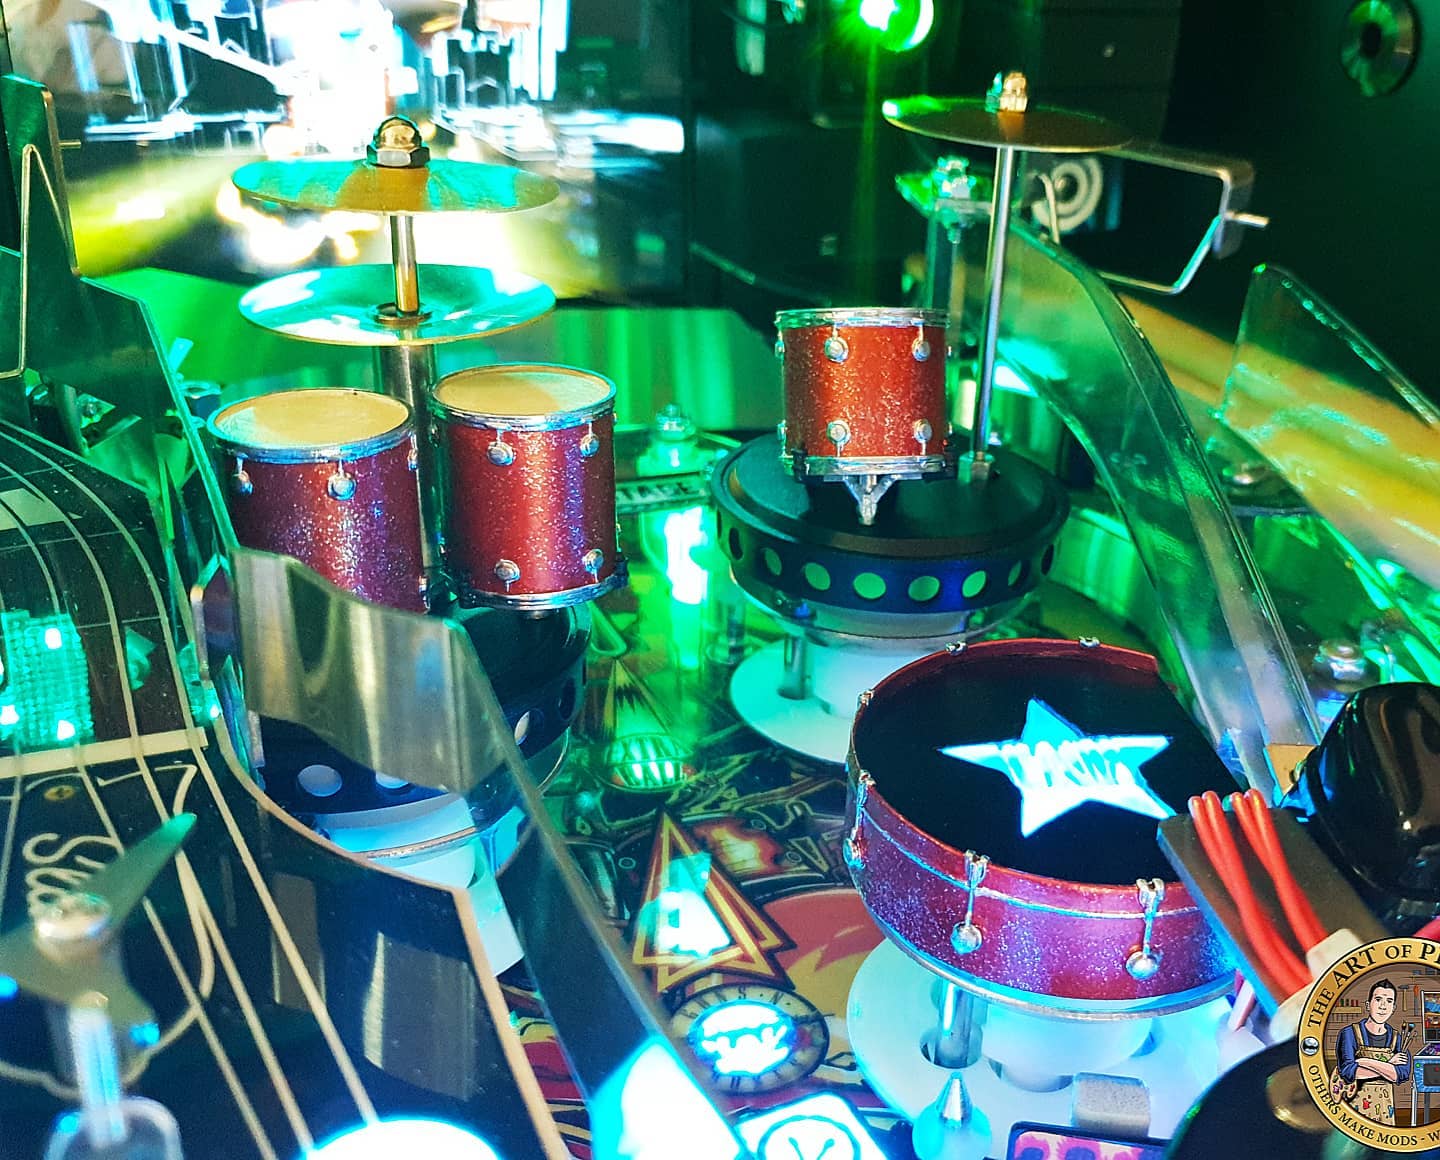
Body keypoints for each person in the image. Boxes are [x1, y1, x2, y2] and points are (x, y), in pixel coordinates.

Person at [1335, 978, 1412, 1125]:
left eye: (1389, 1001)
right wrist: (1389, 1064)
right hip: (1355, 1111)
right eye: (1378, 999)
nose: (1383, 1006)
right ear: (1368, 1004)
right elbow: (1349, 1072)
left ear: (1393, 1008)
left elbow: (1400, 1075)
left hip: (1385, 1112)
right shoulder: (1349, 1033)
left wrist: (1363, 1061)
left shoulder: (1399, 1039)